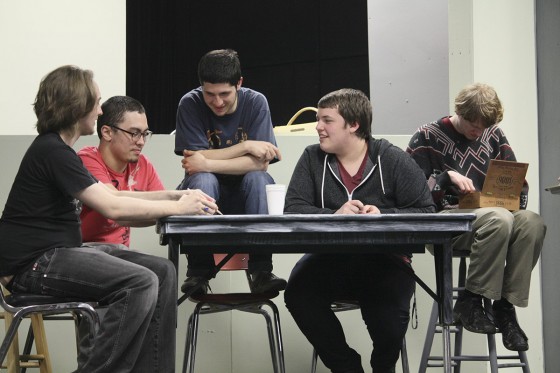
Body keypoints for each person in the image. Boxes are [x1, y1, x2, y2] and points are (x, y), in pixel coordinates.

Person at [0, 65, 219, 373]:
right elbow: (113, 208)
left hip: (56, 256)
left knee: (163, 271)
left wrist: (175, 197)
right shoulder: (53, 152)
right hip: (32, 265)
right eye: (96, 101)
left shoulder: (59, 150)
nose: (100, 109)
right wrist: (181, 207)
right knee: (140, 282)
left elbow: (113, 196)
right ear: (77, 106)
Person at [283, 89, 436, 373]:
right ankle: (347, 367)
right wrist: (334, 215)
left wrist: (383, 214)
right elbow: (293, 209)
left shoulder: (391, 159)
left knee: (389, 325)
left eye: (327, 120)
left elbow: (426, 212)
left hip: (385, 261)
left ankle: (382, 366)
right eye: (319, 120)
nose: (318, 127)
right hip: (330, 258)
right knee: (298, 294)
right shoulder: (312, 158)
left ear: (353, 125)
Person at [407, 83, 546, 352]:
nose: (478, 131)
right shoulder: (426, 136)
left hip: (492, 219)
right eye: (473, 123)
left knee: (532, 223)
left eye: (484, 126)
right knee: (498, 219)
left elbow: (518, 183)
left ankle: (505, 308)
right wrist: (445, 178)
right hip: (447, 225)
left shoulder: (493, 135)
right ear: (460, 110)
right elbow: (410, 195)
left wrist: (514, 192)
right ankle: (470, 299)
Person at [175, 49, 286, 295]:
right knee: (203, 179)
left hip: (247, 198)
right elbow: (192, 160)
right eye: (209, 94)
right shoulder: (190, 103)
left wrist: (208, 161)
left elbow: (260, 164)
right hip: (206, 197)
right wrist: (245, 147)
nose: (217, 102)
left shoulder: (256, 102)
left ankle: (261, 271)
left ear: (239, 84)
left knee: (259, 179)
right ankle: (198, 273)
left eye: (224, 94)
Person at [79, 95, 165, 247]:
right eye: (134, 133)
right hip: (85, 250)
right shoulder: (87, 160)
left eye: (145, 134)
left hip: (120, 253)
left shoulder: (143, 164)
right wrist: (177, 205)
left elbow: (161, 207)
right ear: (107, 132)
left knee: (165, 267)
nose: (141, 142)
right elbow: (117, 209)